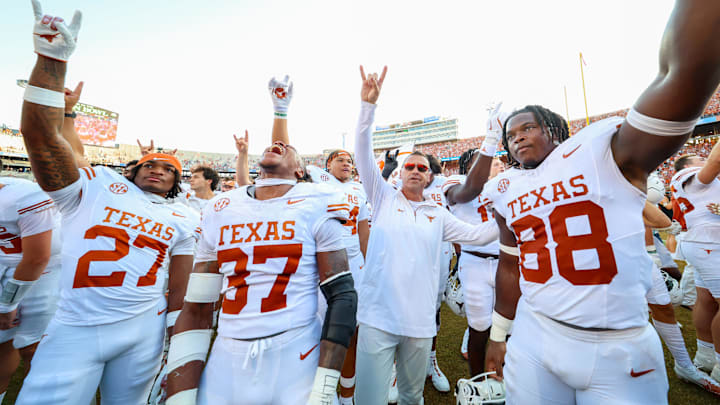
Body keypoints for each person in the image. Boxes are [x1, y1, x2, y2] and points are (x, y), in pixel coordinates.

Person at [483, 1, 720, 402]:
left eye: (529, 127)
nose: (518, 137)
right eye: (511, 134)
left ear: (555, 129)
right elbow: (510, 265)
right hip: (536, 332)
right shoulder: (505, 188)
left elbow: (680, 73)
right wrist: (499, 334)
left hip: (619, 342)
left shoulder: (602, 151)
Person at [15, 4, 196, 403]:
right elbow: (42, 139)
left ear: (176, 182)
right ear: (132, 169)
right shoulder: (98, 184)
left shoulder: (186, 214)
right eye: (150, 163)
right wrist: (52, 61)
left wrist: (175, 336)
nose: (158, 169)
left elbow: (180, 284)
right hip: (75, 325)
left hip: (143, 328)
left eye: (168, 168)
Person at [165, 78, 358, 405]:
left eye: (287, 150)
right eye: (274, 146)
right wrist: (178, 393)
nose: (278, 147)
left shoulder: (317, 200)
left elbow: (342, 294)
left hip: (295, 346)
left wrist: (325, 386)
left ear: (299, 170)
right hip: (228, 349)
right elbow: (197, 306)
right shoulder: (221, 207)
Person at [353, 65, 498, 404]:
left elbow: (479, 235)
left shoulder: (438, 214)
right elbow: (362, 149)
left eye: (422, 167)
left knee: (412, 396)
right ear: (399, 173)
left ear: (431, 177)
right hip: (377, 316)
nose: (416, 171)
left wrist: (513, 215)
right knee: (369, 399)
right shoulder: (383, 197)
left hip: (420, 322)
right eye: (410, 167)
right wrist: (367, 106)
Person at [0, 176, 62, 403]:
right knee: (2, 343)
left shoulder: (24, 197)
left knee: (34, 349)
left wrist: (7, 305)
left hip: (42, 275)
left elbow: (38, 258)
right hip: (7, 265)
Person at [671, 142, 720, 381]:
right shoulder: (688, 176)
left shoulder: (698, 186)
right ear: (688, 166)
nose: (704, 158)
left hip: (702, 243)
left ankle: (705, 356)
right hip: (709, 243)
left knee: (707, 300)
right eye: (699, 158)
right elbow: (716, 160)